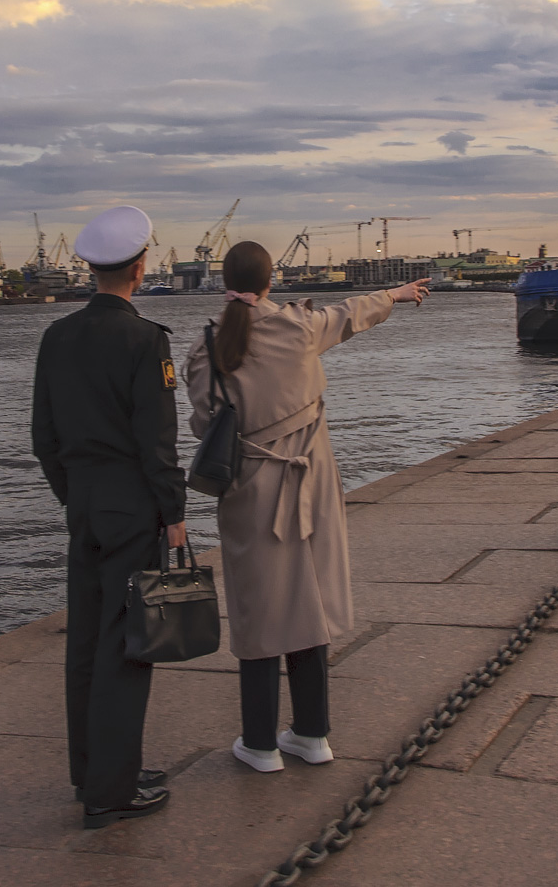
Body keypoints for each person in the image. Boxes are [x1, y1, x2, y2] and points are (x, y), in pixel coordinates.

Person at [184, 242, 430, 774]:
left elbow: (204, 427)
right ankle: (313, 734)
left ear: (226, 281)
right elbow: (350, 314)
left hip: (249, 493)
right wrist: (396, 292)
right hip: (310, 486)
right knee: (308, 602)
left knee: (258, 608)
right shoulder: (300, 329)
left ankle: (259, 743)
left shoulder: (208, 348)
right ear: (272, 281)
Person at [32, 206, 187, 829]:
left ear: (92, 268)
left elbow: (43, 437)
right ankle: (112, 791)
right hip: (131, 507)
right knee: (127, 645)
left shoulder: (57, 337)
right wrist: (172, 514)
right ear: (141, 268)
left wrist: (74, 495)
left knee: (86, 642)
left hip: (85, 505)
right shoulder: (147, 340)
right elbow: (157, 443)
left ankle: (92, 772)